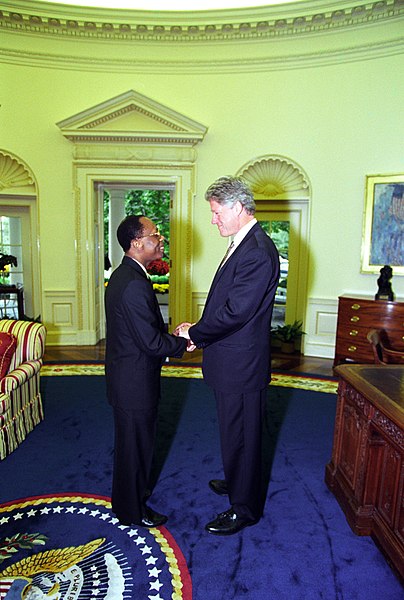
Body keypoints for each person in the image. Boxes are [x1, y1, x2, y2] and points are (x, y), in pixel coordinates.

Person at [176, 176, 280, 535]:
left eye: (217, 212)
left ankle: (244, 507)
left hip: (242, 366)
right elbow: (226, 303)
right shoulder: (243, 243)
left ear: (237, 208)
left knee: (243, 437)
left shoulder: (257, 250)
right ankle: (238, 482)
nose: (213, 219)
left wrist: (196, 334)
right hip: (232, 360)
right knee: (233, 433)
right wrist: (200, 325)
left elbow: (236, 311)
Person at [105, 214, 190, 528]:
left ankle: (131, 497)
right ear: (137, 243)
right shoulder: (132, 284)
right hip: (134, 383)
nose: (161, 239)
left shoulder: (126, 276)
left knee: (133, 447)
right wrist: (183, 343)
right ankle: (131, 511)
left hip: (129, 378)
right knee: (135, 449)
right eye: (156, 234)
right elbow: (152, 342)